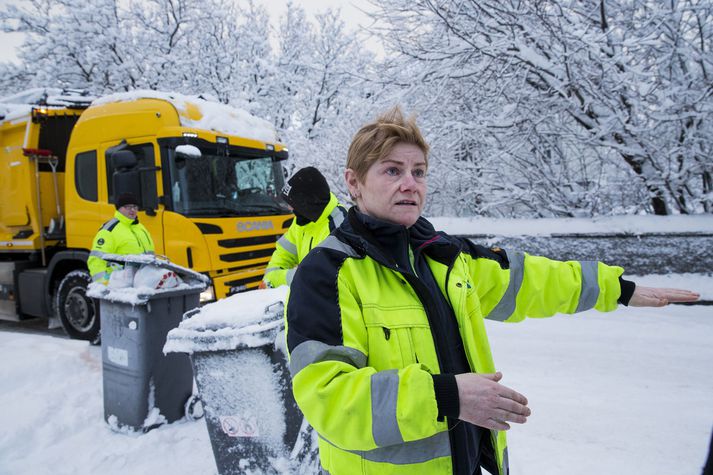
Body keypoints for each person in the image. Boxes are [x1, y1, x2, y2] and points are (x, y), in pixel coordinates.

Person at [284, 107, 700, 475]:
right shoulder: (327, 272)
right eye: (392, 170)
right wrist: (447, 396)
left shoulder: (444, 256)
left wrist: (619, 290)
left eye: (419, 171)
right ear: (353, 183)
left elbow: (529, 279)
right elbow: (328, 397)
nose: (410, 183)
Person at [261, 166, 347, 288]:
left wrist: (282, 278)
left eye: (293, 204)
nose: (290, 209)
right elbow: (281, 257)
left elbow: (323, 280)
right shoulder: (301, 221)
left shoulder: (341, 226)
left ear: (306, 204)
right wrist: (272, 278)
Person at [87, 192, 155, 285]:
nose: (132, 210)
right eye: (128, 207)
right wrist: (104, 285)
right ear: (119, 208)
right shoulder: (109, 229)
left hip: (143, 283)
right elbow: (96, 259)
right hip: (120, 286)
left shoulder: (141, 228)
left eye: (135, 207)